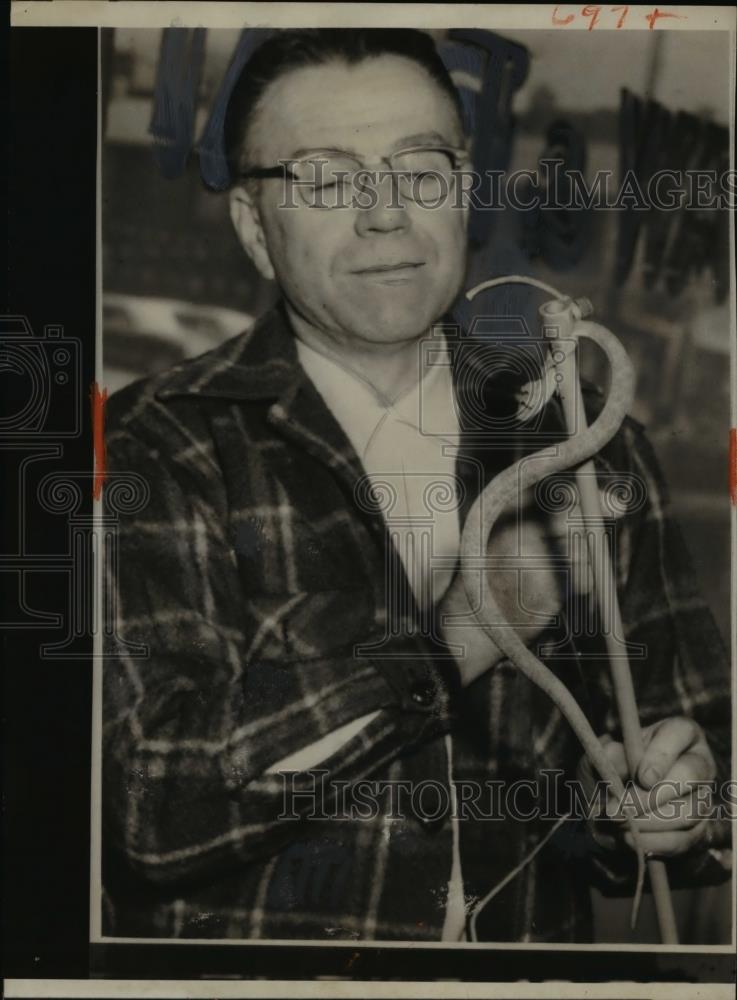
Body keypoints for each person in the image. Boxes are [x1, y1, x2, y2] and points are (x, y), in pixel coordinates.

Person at [102, 28, 732, 942]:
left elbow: (702, 761)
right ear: (253, 227)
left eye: (420, 169)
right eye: (324, 177)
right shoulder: (157, 444)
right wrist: (460, 635)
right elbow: (150, 813)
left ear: (465, 194)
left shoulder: (586, 441)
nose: (385, 215)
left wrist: (678, 809)